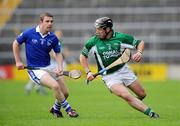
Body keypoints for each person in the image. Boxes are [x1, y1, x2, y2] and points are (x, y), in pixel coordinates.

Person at [79, 17, 159, 118]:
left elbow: (140, 43)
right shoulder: (93, 42)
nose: (97, 32)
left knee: (142, 94)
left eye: (99, 29)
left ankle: (134, 102)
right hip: (109, 76)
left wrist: (139, 52)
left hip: (124, 70)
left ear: (107, 29)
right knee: (126, 95)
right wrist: (88, 72)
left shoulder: (121, 38)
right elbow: (83, 56)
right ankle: (152, 114)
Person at [12, 12, 78, 118]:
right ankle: (69, 110)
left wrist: (60, 67)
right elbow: (16, 43)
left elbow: (58, 53)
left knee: (65, 93)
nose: (50, 23)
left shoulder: (53, 37)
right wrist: (18, 61)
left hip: (49, 67)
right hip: (35, 70)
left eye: (51, 21)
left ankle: (55, 109)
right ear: (41, 22)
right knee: (55, 86)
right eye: (47, 21)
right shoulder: (29, 33)